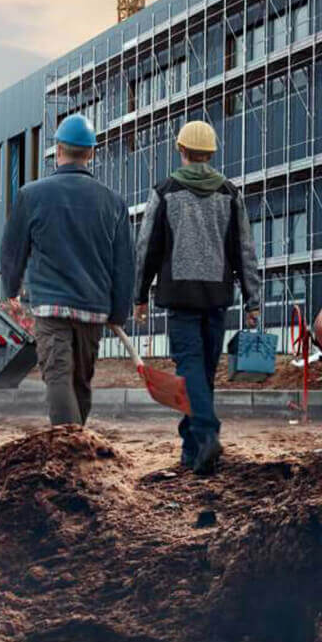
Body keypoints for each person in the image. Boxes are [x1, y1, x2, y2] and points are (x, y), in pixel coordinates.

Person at [134, 119, 261, 474]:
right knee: (203, 372)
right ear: (210, 153)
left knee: (189, 367)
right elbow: (244, 250)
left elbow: (147, 247)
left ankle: (206, 433)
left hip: (179, 295)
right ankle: (192, 453)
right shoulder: (229, 193)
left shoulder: (165, 191)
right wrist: (253, 300)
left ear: (182, 150)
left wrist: (139, 295)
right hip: (217, 295)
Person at [1, 113, 134, 428]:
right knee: (81, 380)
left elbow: (12, 248)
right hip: (92, 308)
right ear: (90, 154)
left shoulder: (31, 196)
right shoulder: (113, 203)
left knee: (58, 375)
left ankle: (69, 444)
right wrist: (119, 311)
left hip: (50, 305)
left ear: (58, 151)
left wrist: (11, 289)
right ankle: (76, 443)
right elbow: (125, 264)